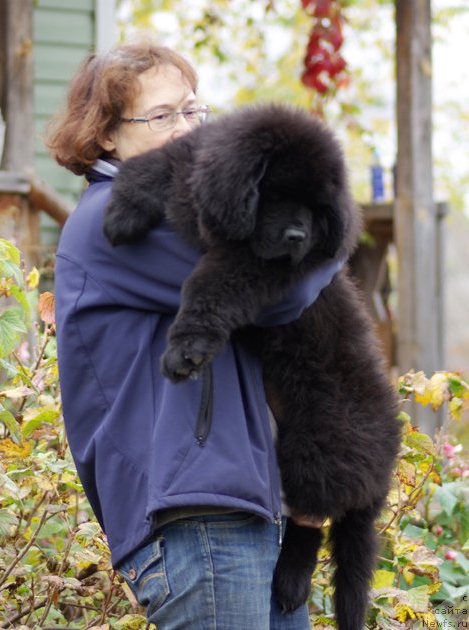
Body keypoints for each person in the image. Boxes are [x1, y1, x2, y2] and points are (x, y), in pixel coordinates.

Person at [47, 41, 344, 629]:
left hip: (244, 508)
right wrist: (330, 229)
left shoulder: (185, 206)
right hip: (195, 516)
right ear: (106, 134)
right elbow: (283, 291)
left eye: (191, 110)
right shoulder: (115, 224)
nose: (185, 129)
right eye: (161, 116)